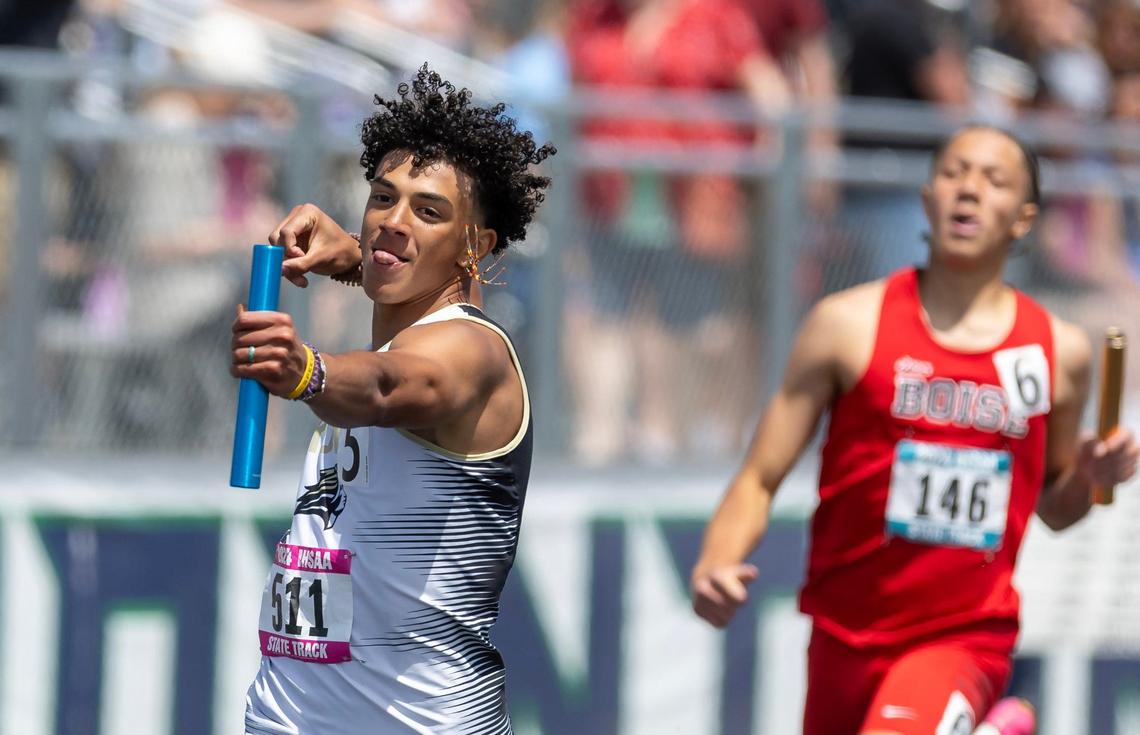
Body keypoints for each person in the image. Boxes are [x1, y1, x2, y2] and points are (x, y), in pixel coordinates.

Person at [690, 125, 1139, 735]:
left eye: (994, 180)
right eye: (955, 173)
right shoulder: (845, 325)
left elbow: (1057, 509)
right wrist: (718, 559)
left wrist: (1088, 477)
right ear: (927, 196)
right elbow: (758, 477)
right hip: (843, 636)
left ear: (1023, 218)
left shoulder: (1058, 353)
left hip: (963, 638)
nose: (971, 191)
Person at [231, 64, 555, 734]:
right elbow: (396, 288)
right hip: (284, 717)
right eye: (383, 198)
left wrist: (306, 372)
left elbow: (390, 385)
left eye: (428, 210)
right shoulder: (398, 314)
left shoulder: (474, 352)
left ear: (478, 245)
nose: (394, 222)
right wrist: (354, 255)